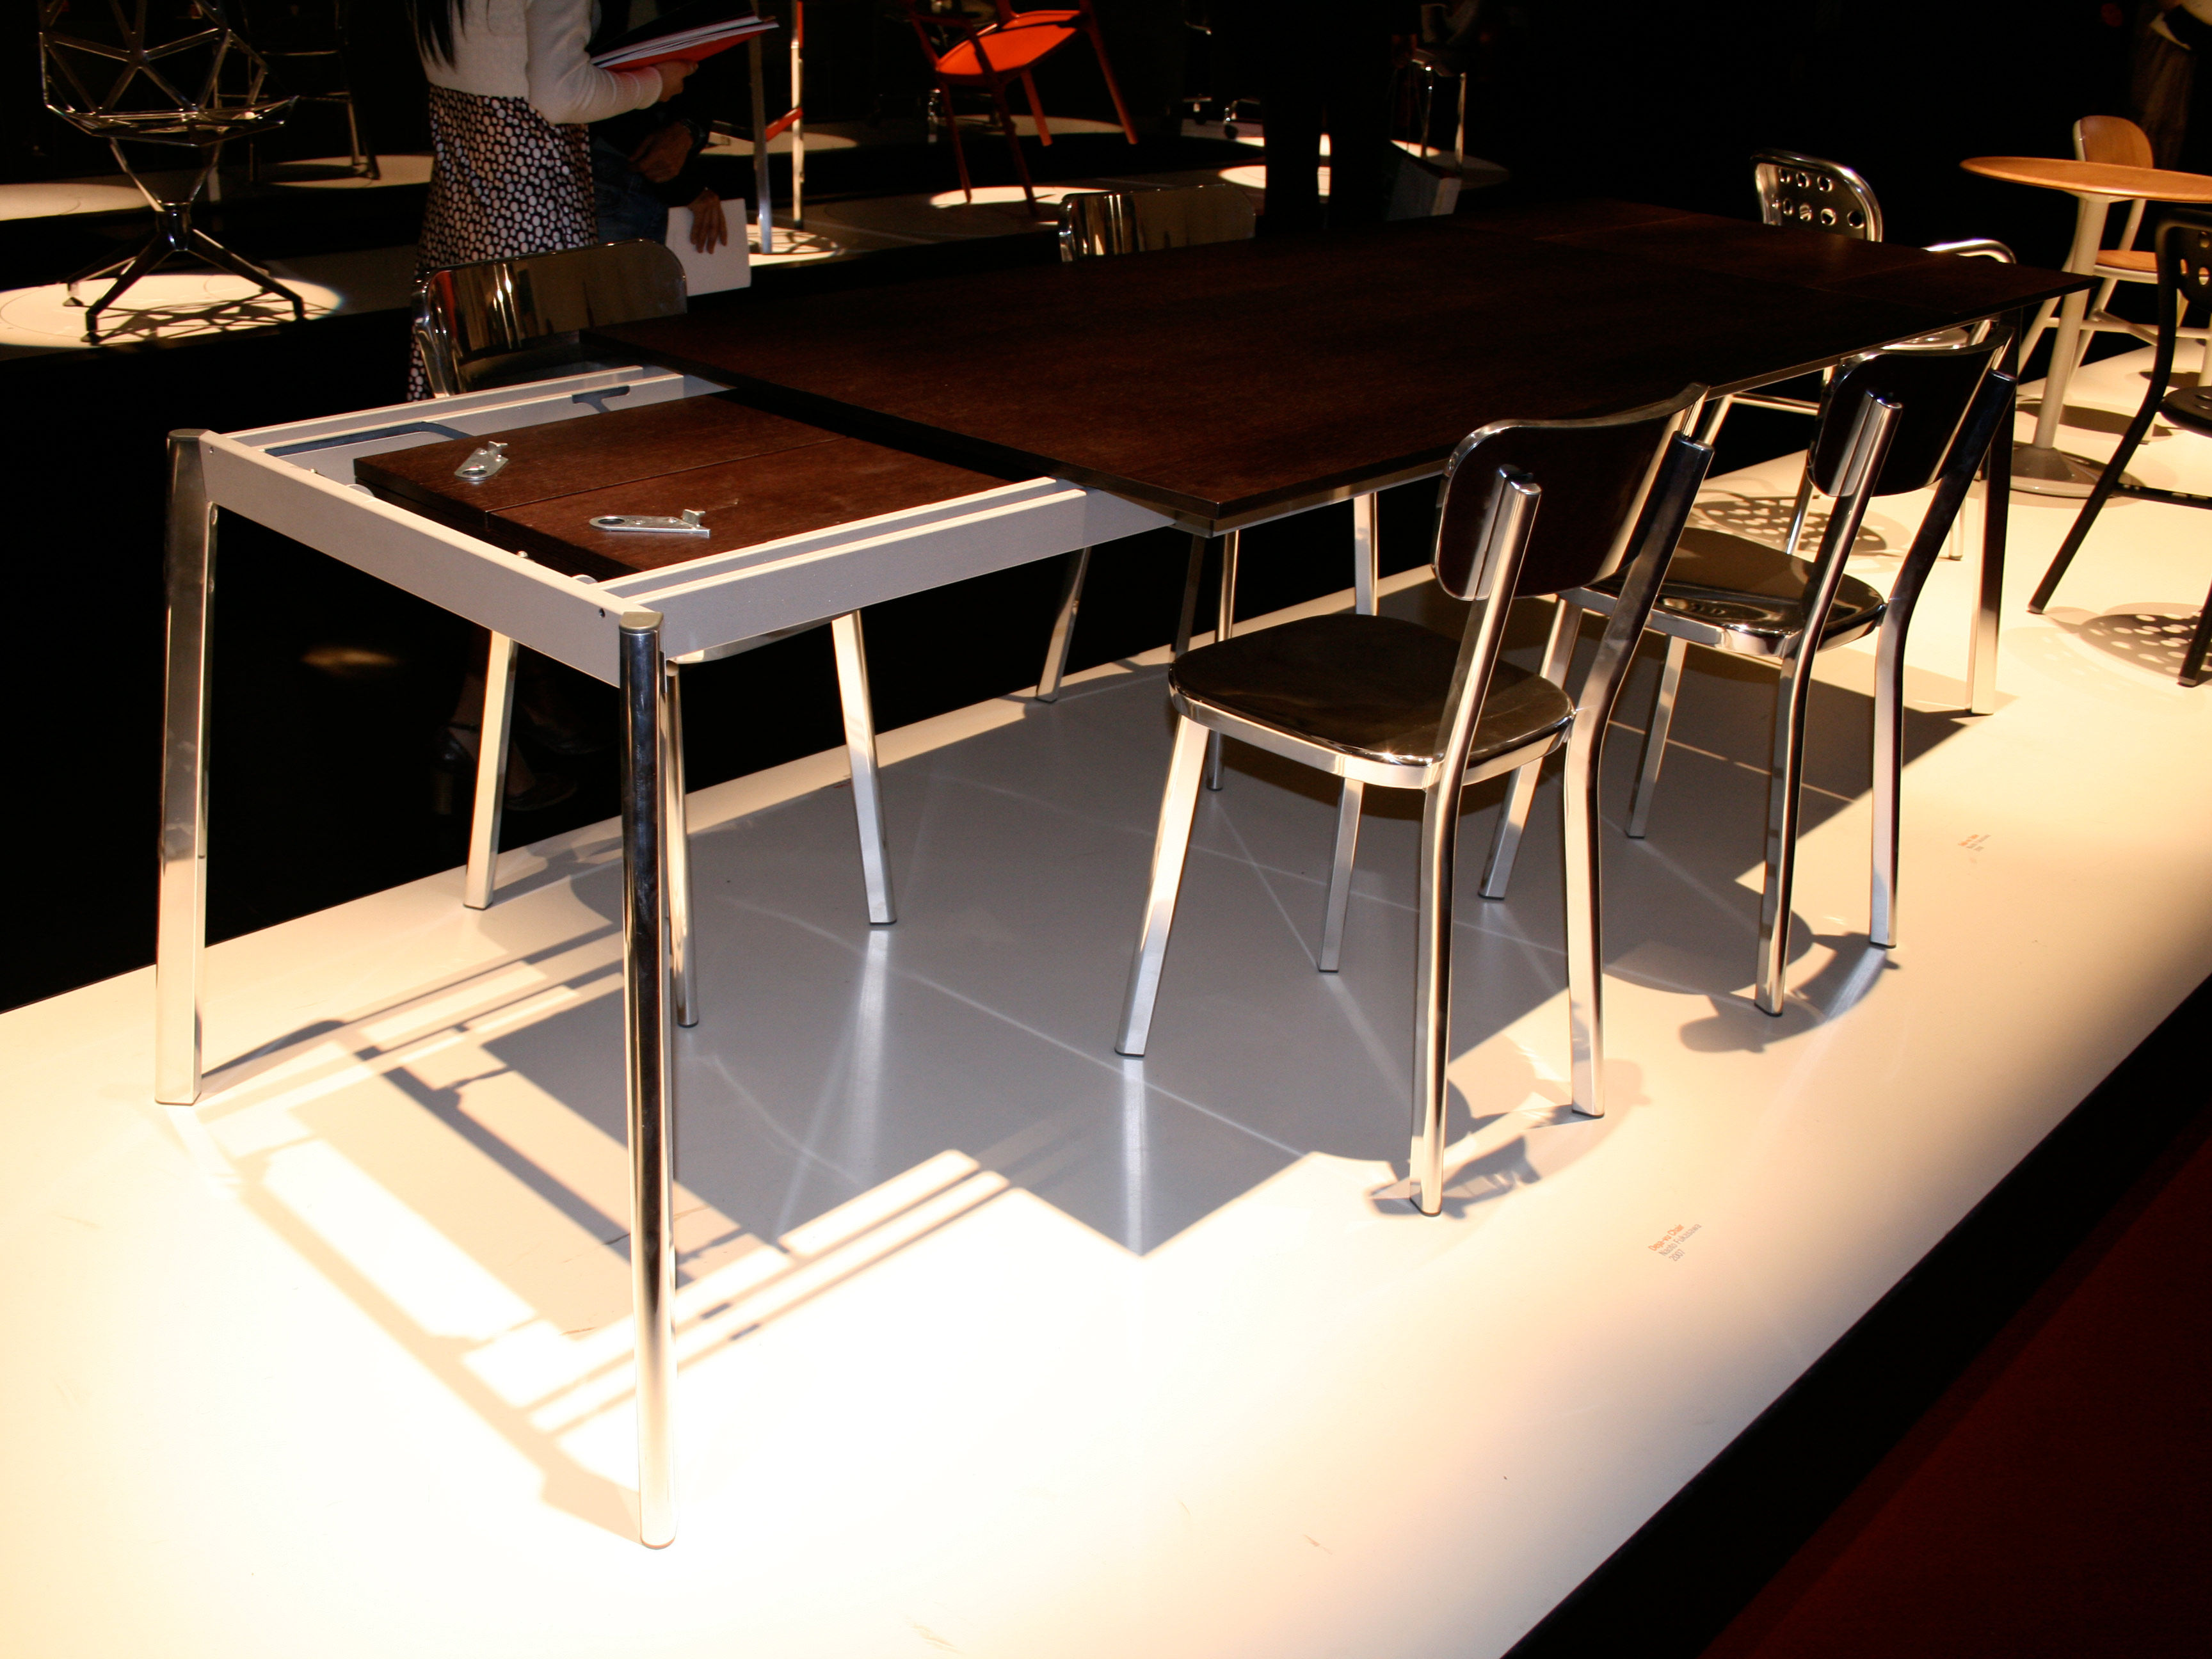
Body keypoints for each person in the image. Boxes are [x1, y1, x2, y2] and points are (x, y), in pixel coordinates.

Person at [406, 0, 695, 808]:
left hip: (469, 224)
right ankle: (484, 719)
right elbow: (562, 95)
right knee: (526, 502)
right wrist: (659, 82)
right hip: (534, 234)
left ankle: (500, 710)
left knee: (494, 494)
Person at [588, 1, 733, 254]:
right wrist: (684, 185)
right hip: (609, 162)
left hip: (638, 163)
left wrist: (688, 129)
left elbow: (710, 63)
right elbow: (587, 84)